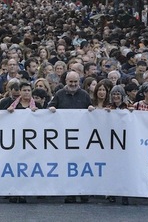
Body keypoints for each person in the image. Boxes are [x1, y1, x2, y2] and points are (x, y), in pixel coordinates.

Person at [48, 71, 93, 203]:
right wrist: (51, 108)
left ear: (79, 81)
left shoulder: (84, 95)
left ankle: (84, 192)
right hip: (64, 137)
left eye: (75, 82)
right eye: (70, 82)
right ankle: (70, 193)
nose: (73, 84)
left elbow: (90, 109)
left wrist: (91, 108)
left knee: (82, 165)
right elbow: (51, 106)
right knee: (68, 166)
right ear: (66, 81)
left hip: (81, 137)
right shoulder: (59, 94)